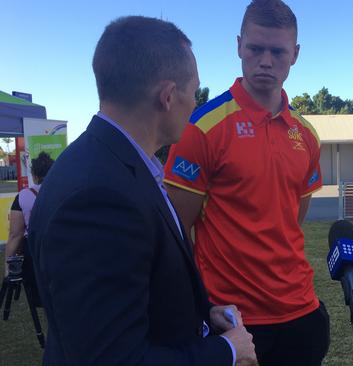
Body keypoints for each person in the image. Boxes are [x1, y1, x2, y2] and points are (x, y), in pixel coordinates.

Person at [27, 16, 256, 366]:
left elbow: (139, 290)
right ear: (167, 97)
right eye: (193, 91)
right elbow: (113, 357)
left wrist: (204, 313)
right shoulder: (99, 196)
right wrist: (227, 351)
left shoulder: (110, 165)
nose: (194, 104)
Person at [163, 1, 329, 365]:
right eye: (255, 49)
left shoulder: (307, 135)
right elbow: (175, 235)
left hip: (301, 311)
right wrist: (202, 307)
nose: (266, 61)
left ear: (295, 54)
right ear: (239, 45)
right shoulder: (202, 128)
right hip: (235, 321)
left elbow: (291, 220)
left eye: (278, 51)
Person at [4, 152, 54, 278]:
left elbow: (15, 235)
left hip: (33, 252)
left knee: (35, 293)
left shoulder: (23, 196)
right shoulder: (65, 192)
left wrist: (7, 267)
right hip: (61, 248)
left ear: (34, 174)